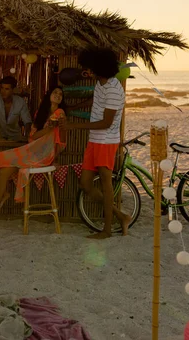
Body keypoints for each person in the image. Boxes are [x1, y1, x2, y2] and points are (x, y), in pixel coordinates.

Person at [64, 47, 131, 239]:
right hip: (95, 140)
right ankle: (121, 216)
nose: (86, 70)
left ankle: (107, 230)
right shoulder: (101, 84)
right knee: (85, 184)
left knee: (105, 184)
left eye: (89, 67)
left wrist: (73, 126)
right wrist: (74, 107)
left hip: (106, 141)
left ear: (98, 68)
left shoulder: (114, 90)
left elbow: (106, 123)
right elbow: (96, 100)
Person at [0, 87, 67, 213]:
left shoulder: (60, 113)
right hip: (32, 150)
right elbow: (33, 136)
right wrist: (47, 129)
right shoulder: (40, 112)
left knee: (3, 160)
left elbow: (61, 140)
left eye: (60, 94)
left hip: (45, 154)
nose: (58, 95)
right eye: (55, 92)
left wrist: (55, 158)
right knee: (2, 163)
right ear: (49, 95)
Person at [0, 76, 32, 142]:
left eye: (7, 89)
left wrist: (27, 136)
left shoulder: (20, 102)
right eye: (2, 88)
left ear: (13, 90)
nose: (3, 92)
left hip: (15, 138)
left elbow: (27, 121)